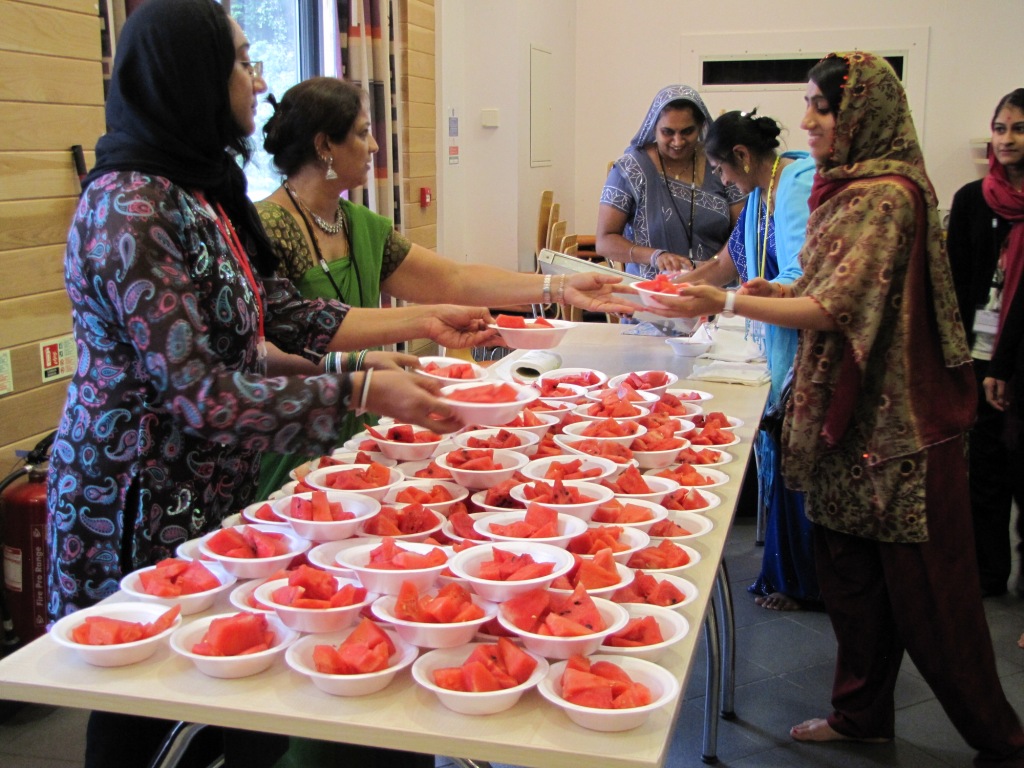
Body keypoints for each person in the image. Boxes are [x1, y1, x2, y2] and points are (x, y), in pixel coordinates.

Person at [45, 2, 493, 766]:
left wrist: (395, 337)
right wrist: (357, 392)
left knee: (241, 693)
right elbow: (204, 393)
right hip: (137, 497)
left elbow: (271, 313)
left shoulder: (197, 188)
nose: (258, 80)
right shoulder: (131, 206)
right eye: (243, 62)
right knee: (140, 712)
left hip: (211, 486)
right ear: (192, 76)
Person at [656, 51, 1024, 762]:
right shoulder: (841, 187)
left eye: (822, 108)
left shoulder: (887, 195)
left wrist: (728, 299)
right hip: (845, 422)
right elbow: (817, 280)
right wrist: (757, 289)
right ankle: (861, 715)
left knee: (933, 604)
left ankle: (1002, 740)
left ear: (861, 115)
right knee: (854, 585)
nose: (807, 122)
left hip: (897, 429)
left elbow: (838, 304)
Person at [253, 76, 638, 497]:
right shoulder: (267, 228)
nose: (376, 147)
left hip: (365, 423)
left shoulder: (356, 223)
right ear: (325, 145)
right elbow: (259, 353)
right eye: (364, 133)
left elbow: (454, 279)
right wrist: (356, 368)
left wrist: (559, 286)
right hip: (296, 433)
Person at [684, 109, 820, 610]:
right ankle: (786, 573)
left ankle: (801, 581)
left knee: (794, 459)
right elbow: (727, 264)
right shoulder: (762, 193)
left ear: (741, 156)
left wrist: (746, 298)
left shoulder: (794, 183)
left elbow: (805, 271)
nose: (721, 179)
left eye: (720, 168)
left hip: (801, 345)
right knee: (781, 455)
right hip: (774, 336)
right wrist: (670, 290)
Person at [947, 88, 1024, 598]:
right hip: (978, 351)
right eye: (1000, 128)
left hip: (1022, 357)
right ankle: (987, 574)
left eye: (1019, 128)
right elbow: (953, 283)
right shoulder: (973, 200)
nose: (1008, 138)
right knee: (987, 470)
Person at [596, 84, 745, 279]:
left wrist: (715, 265)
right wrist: (655, 256)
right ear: (653, 128)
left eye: (687, 132)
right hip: (651, 292)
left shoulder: (720, 164)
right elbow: (604, 241)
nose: (677, 141)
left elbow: (742, 230)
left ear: (701, 127)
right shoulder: (631, 169)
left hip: (713, 288)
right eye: (668, 132)